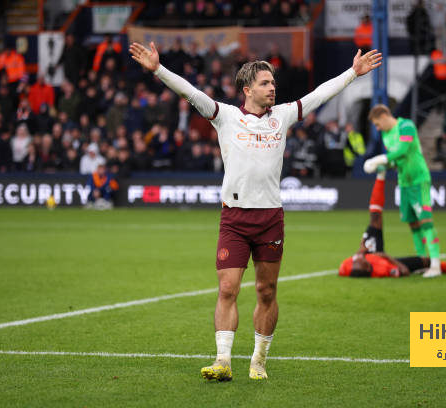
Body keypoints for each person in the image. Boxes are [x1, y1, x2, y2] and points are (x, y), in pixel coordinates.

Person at [129, 40, 382, 381]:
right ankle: (222, 360)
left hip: (269, 219)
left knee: (266, 292)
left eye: (273, 83)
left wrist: (352, 73)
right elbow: (190, 92)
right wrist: (158, 69)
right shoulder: (226, 117)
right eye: (265, 83)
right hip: (234, 218)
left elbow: (320, 94)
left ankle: (259, 360)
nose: (272, 88)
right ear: (247, 89)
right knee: (227, 289)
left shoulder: (283, 116)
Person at [338, 173, 446, 278]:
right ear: (369, 269)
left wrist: (361, 252)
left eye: (360, 260)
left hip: (372, 251)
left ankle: (380, 175)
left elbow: (352, 261)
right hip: (384, 258)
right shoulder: (381, 269)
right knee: (424, 261)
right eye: (365, 263)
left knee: (375, 218)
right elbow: (403, 271)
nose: (362, 259)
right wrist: (385, 257)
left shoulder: (347, 266)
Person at [364, 104, 442, 278]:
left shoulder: (406, 126)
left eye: (377, 124)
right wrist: (383, 165)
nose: (377, 128)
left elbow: (403, 151)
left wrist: (380, 158)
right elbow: (395, 161)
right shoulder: (386, 135)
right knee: (413, 223)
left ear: (384, 116)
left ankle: (436, 264)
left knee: (425, 221)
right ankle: (424, 261)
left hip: (418, 180)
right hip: (404, 183)